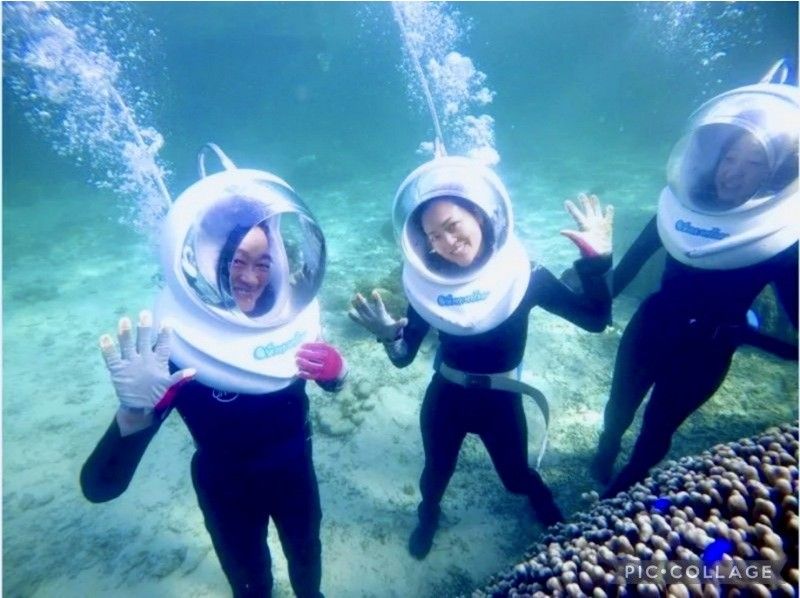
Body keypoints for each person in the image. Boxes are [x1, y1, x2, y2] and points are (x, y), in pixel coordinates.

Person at [80, 144, 345, 598]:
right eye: (236, 261)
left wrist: (338, 374)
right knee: (251, 585)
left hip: (296, 471)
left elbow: (333, 387)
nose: (251, 277)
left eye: (263, 263)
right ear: (210, 262)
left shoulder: (289, 318)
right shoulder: (179, 348)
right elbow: (100, 487)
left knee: (307, 558)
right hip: (225, 489)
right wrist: (132, 414)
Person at [349, 154, 614, 559]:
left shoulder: (527, 275)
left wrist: (597, 264)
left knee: (516, 478)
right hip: (447, 397)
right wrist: (389, 336)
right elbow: (404, 358)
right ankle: (428, 515)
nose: (447, 243)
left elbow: (595, 320)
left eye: (452, 225)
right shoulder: (427, 287)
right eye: (433, 236)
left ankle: (545, 506)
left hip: (501, 400)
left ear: (478, 214)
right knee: (436, 474)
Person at [590, 61, 799, 498]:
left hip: (707, 352)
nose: (734, 171)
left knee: (656, 432)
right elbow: (619, 278)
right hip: (652, 326)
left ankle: (616, 497)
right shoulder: (681, 209)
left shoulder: (778, 239)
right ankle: (605, 451)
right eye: (729, 157)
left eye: (753, 162)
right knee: (617, 412)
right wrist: (589, 275)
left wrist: (746, 335)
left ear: (772, 174)